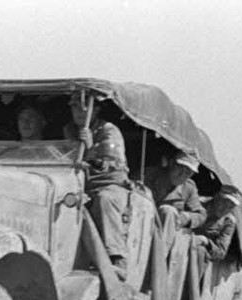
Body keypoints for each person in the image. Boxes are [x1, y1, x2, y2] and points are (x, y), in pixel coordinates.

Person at [68, 95, 133, 273]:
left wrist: (90, 147)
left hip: (109, 184)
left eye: (83, 107)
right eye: (74, 108)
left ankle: (116, 258)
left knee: (105, 199)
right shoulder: (70, 130)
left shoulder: (108, 130)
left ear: (95, 109)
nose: (79, 112)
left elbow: (109, 164)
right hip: (80, 184)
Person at [146, 149, 207, 231]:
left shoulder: (188, 188)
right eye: (181, 169)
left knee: (168, 211)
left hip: (164, 232)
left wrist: (187, 217)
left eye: (188, 173)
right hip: (143, 221)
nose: (182, 175)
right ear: (171, 164)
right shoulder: (149, 175)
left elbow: (201, 215)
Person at [195, 186, 242, 261]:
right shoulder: (198, 203)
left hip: (196, 251)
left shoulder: (228, 222)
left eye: (231, 207)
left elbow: (221, 253)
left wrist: (206, 242)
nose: (225, 209)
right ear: (217, 197)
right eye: (225, 202)